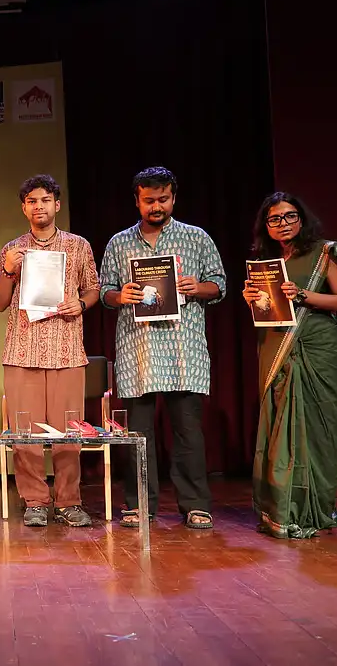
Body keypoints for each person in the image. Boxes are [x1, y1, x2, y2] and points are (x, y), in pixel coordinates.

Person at [242, 192, 337, 538]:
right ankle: (281, 512)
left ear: (302, 218)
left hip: (318, 348)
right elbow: (269, 312)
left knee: (317, 432)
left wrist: (300, 295)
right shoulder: (266, 262)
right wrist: (252, 299)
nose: (282, 224)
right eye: (274, 219)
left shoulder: (325, 251)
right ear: (265, 227)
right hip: (278, 349)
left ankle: (315, 510)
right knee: (281, 428)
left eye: (289, 216)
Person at [99, 167, 226, 529]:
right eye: (149, 200)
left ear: (174, 197)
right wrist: (119, 294)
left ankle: (195, 505)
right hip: (138, 351)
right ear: (137, 200)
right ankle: (139, 505)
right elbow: (104, 290)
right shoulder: (119, 243)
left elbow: (220, 283)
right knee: (138, 435)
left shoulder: (196, 238)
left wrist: (195, 288)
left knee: (188, 431)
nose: (157, 206)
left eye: (163, 199)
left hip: (183, 350)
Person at [0, 174, 100, 527]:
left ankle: (69, 501)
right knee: (26, 434)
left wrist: (80, 304)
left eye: (45, 200)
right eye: (32, 201)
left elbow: (94, 289)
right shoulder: (12, 250)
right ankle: (35, 501)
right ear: (24, 208)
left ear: (57, 204)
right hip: (22, 352)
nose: (39, 206)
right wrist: (8, 271)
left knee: (69, 433)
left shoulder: (78, 246)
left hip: (66, 349)